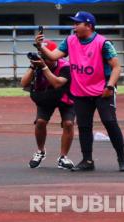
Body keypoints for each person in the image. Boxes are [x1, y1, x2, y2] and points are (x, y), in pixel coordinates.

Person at [35, 11, 124, 172]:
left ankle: (122, 158)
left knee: (109, 122)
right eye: (74, 23)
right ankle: (87, 160)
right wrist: (40, 46)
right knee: (84, 126)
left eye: (77, 23)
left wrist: (109, 87)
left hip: (102, 91)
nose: (74, 26)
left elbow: (116, 67)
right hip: (80, 92)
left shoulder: (103, 43)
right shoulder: (70, 41)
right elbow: (54, 55)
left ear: (89, 26)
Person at [21, 40, 75, 170]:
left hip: (66, 97)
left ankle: (63, 157)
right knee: (40, 122)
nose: (43, 59)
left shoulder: (65, 66)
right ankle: (40, 151)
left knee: (68, 123)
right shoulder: (37, 65)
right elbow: (23, 83)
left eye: (46, 57)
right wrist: (33, 67)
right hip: (46, 97)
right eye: (41, 56)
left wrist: (44, 67)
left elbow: (57, 83)